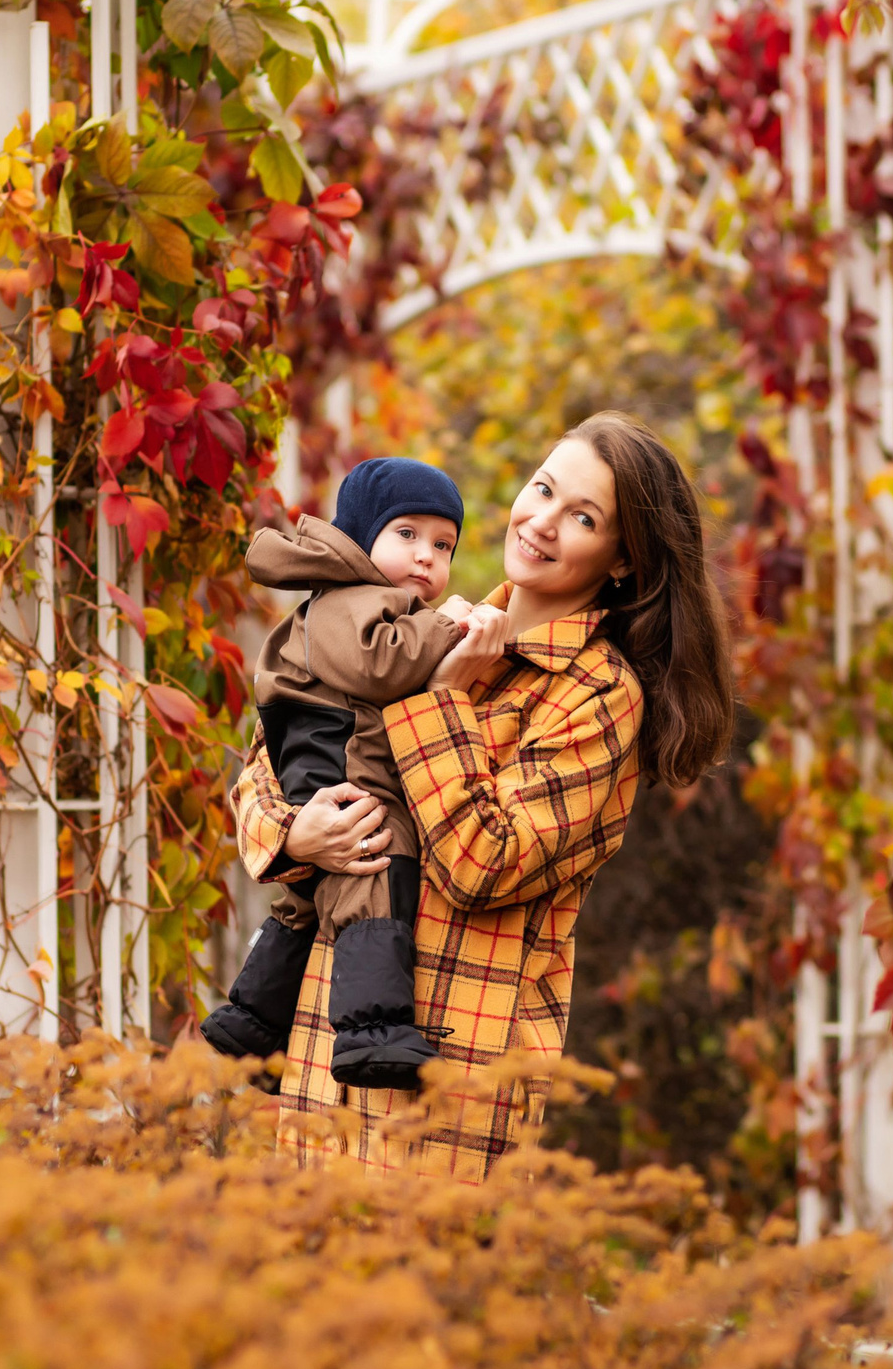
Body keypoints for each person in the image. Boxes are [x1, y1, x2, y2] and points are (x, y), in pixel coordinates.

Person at [230, 411, 735, 1178]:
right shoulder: (434, 625)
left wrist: (437, 699)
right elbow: (272, 756)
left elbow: (483, 862)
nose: (542, 522)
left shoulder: (598, 696)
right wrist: (292, 836)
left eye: (583, 516)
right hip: (322, 1060)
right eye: (543, 489)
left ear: (624, 558)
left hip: (451, 1086)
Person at [205, 457, 472, 1089]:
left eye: (443, 544)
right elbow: (381, 668)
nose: (427, 557)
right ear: (360, 536)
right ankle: (371, 1035)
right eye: (406, 534)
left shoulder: (360, 597)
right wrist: (446, 627)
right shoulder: (351, 601)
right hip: (338, 763)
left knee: (305, 902)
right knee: (378, 871)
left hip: (325, 762)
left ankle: (253, 1027)